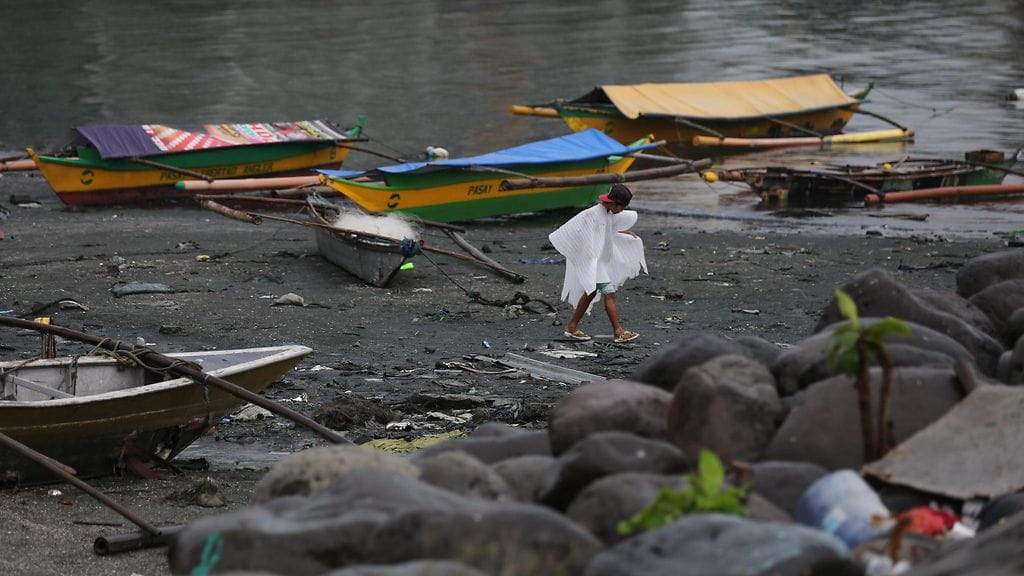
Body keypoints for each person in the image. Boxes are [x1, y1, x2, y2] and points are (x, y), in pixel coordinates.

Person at [548, 183, 647, 343]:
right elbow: (575, 233)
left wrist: (623, 232)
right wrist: (588, 260)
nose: (621, 211)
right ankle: (618, 331)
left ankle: (571, 327)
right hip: (592, 261)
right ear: (614, 203)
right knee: (609, 293)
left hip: (597, 262)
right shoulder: (591, 214)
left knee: (590, 293)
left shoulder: (606, 213)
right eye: (621, 207)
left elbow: (604, 231)